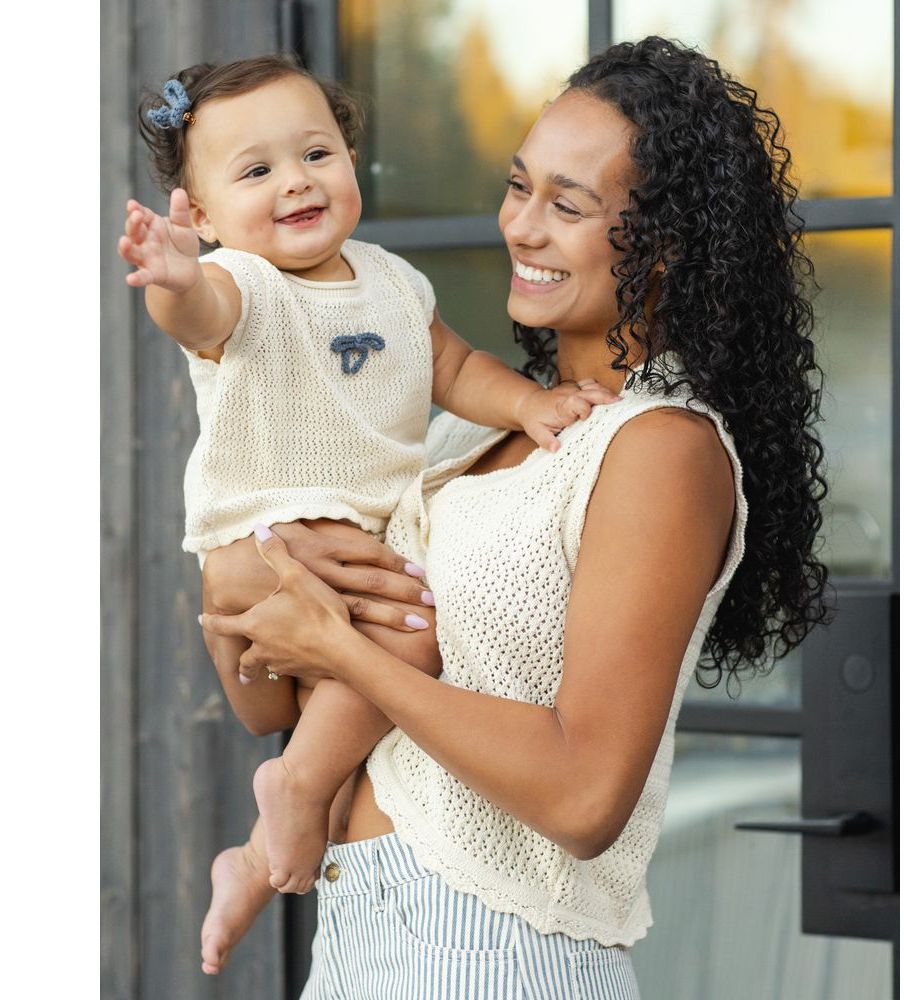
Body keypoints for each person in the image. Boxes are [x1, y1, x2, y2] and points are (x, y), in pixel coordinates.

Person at [201, 36, 829, 998]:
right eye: (518, 186)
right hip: (356, 935)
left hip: (498, 956)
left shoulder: (658, 448)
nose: (521, 228)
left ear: (669, 242)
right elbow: (272, 710)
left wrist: (343, 648)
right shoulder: (461, 437)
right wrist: (235, 601)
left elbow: (585, 798)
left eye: (567, 206)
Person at [117, 55, 621, 975]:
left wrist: (529, 405)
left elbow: (453, 368)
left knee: (374, 681)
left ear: (351, 158)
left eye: (316, 153)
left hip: (359, 547)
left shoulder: (392, 281)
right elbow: (199, 315)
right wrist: (174, 278)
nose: (296, 181)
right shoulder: (244, 282)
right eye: (256, 170)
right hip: (267, 538)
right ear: (205, 215)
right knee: (406, 646)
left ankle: (257, 850)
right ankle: (298, 792)